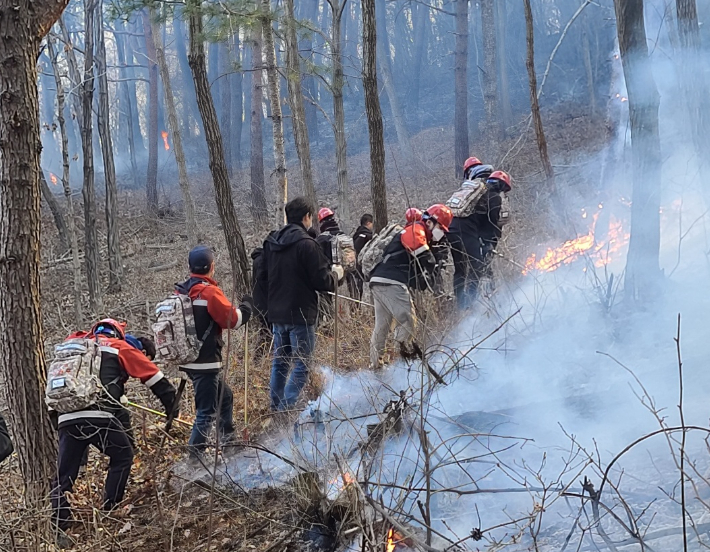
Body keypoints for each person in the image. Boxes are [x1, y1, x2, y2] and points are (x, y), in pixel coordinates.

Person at [50, 319, 177, 535]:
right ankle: (110, 508)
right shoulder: (117, 347)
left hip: (66, 419)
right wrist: (171, 404)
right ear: (118, 333)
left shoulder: (74, 347)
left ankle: (59, 525)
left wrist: (58, 421)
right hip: (99, 416)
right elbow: (152, 375)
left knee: (63, 476)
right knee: (123, 455)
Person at [263, 197, 341, 411]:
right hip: (300, 314)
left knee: (280, 362)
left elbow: (263, 275)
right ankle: (286, 407)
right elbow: (322, 281)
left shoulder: (272, 243)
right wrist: (337, 274)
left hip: (277, 313)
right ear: (307, 217)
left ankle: (276, 405)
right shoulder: (307, 244)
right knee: (303, 363)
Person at [175, 246, 253, 459]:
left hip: (188, 359)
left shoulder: (181, 291)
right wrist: (247, 307)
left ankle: (228, 443)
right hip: (206, 361)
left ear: (190, 267)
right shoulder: (208, 292)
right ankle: (195, 460)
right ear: (212, 267)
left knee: (224, 396)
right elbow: (233, 320)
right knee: (206, 412)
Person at [368, 204, 452, 370]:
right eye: (441, 229)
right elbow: (420, 252)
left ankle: (377, 365)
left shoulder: (416, 232)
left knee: (382, 326)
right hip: (392, 281)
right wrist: (431, 260)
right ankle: (403, 361)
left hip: (379, 279)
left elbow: (418, 279)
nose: (441, 234)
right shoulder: (416, 229)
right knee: (408, 319)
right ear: (431, 223)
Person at [448, 170, 511, 309]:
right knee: (477, 266)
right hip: (466, 231)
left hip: (451, 228)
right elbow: (491, 223)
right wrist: (489, 243)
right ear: (501, 186)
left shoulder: (479, 193)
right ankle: (469, 304)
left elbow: (480, 221)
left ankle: (460, 303)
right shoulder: (494, 197)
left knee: (460, 269)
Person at [351, 213, 374, 301]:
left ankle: (356, 309)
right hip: (362, 267)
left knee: (356, 292)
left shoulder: (356, 235)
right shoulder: (367, 236)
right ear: (368, 223)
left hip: (354, 268)